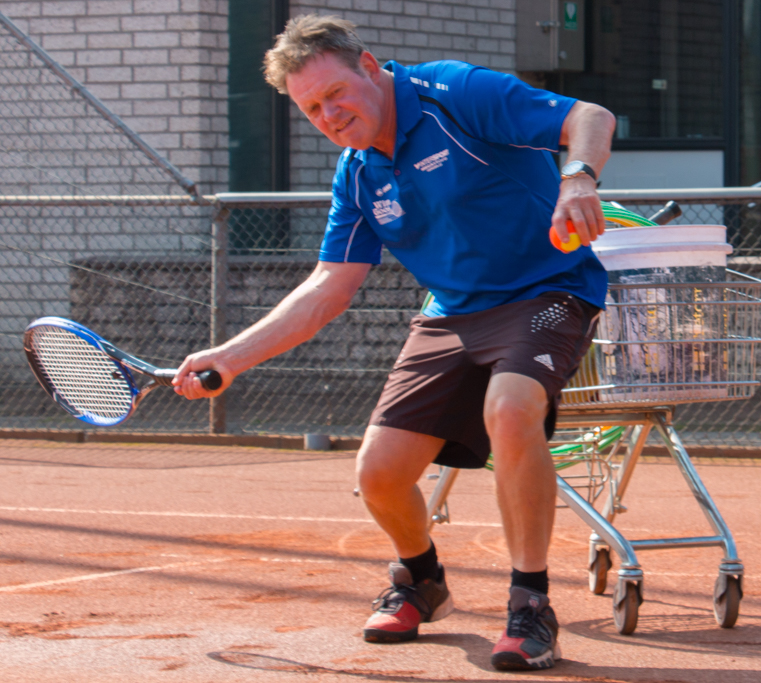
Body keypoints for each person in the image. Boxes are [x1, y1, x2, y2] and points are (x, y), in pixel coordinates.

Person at [173, 14, 615, 672]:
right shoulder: (356, 175)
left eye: (335, 95)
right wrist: (229, 356)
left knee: (511, 408)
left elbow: (590, 115)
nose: (328, 114)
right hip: (451, 313)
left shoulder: (453, 93)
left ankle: (530, 604)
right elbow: (326, 288)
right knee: (378, 473)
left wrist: (577, 177)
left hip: (546, 287)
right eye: (311, 108)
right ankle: (421, 578)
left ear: (370, 66)